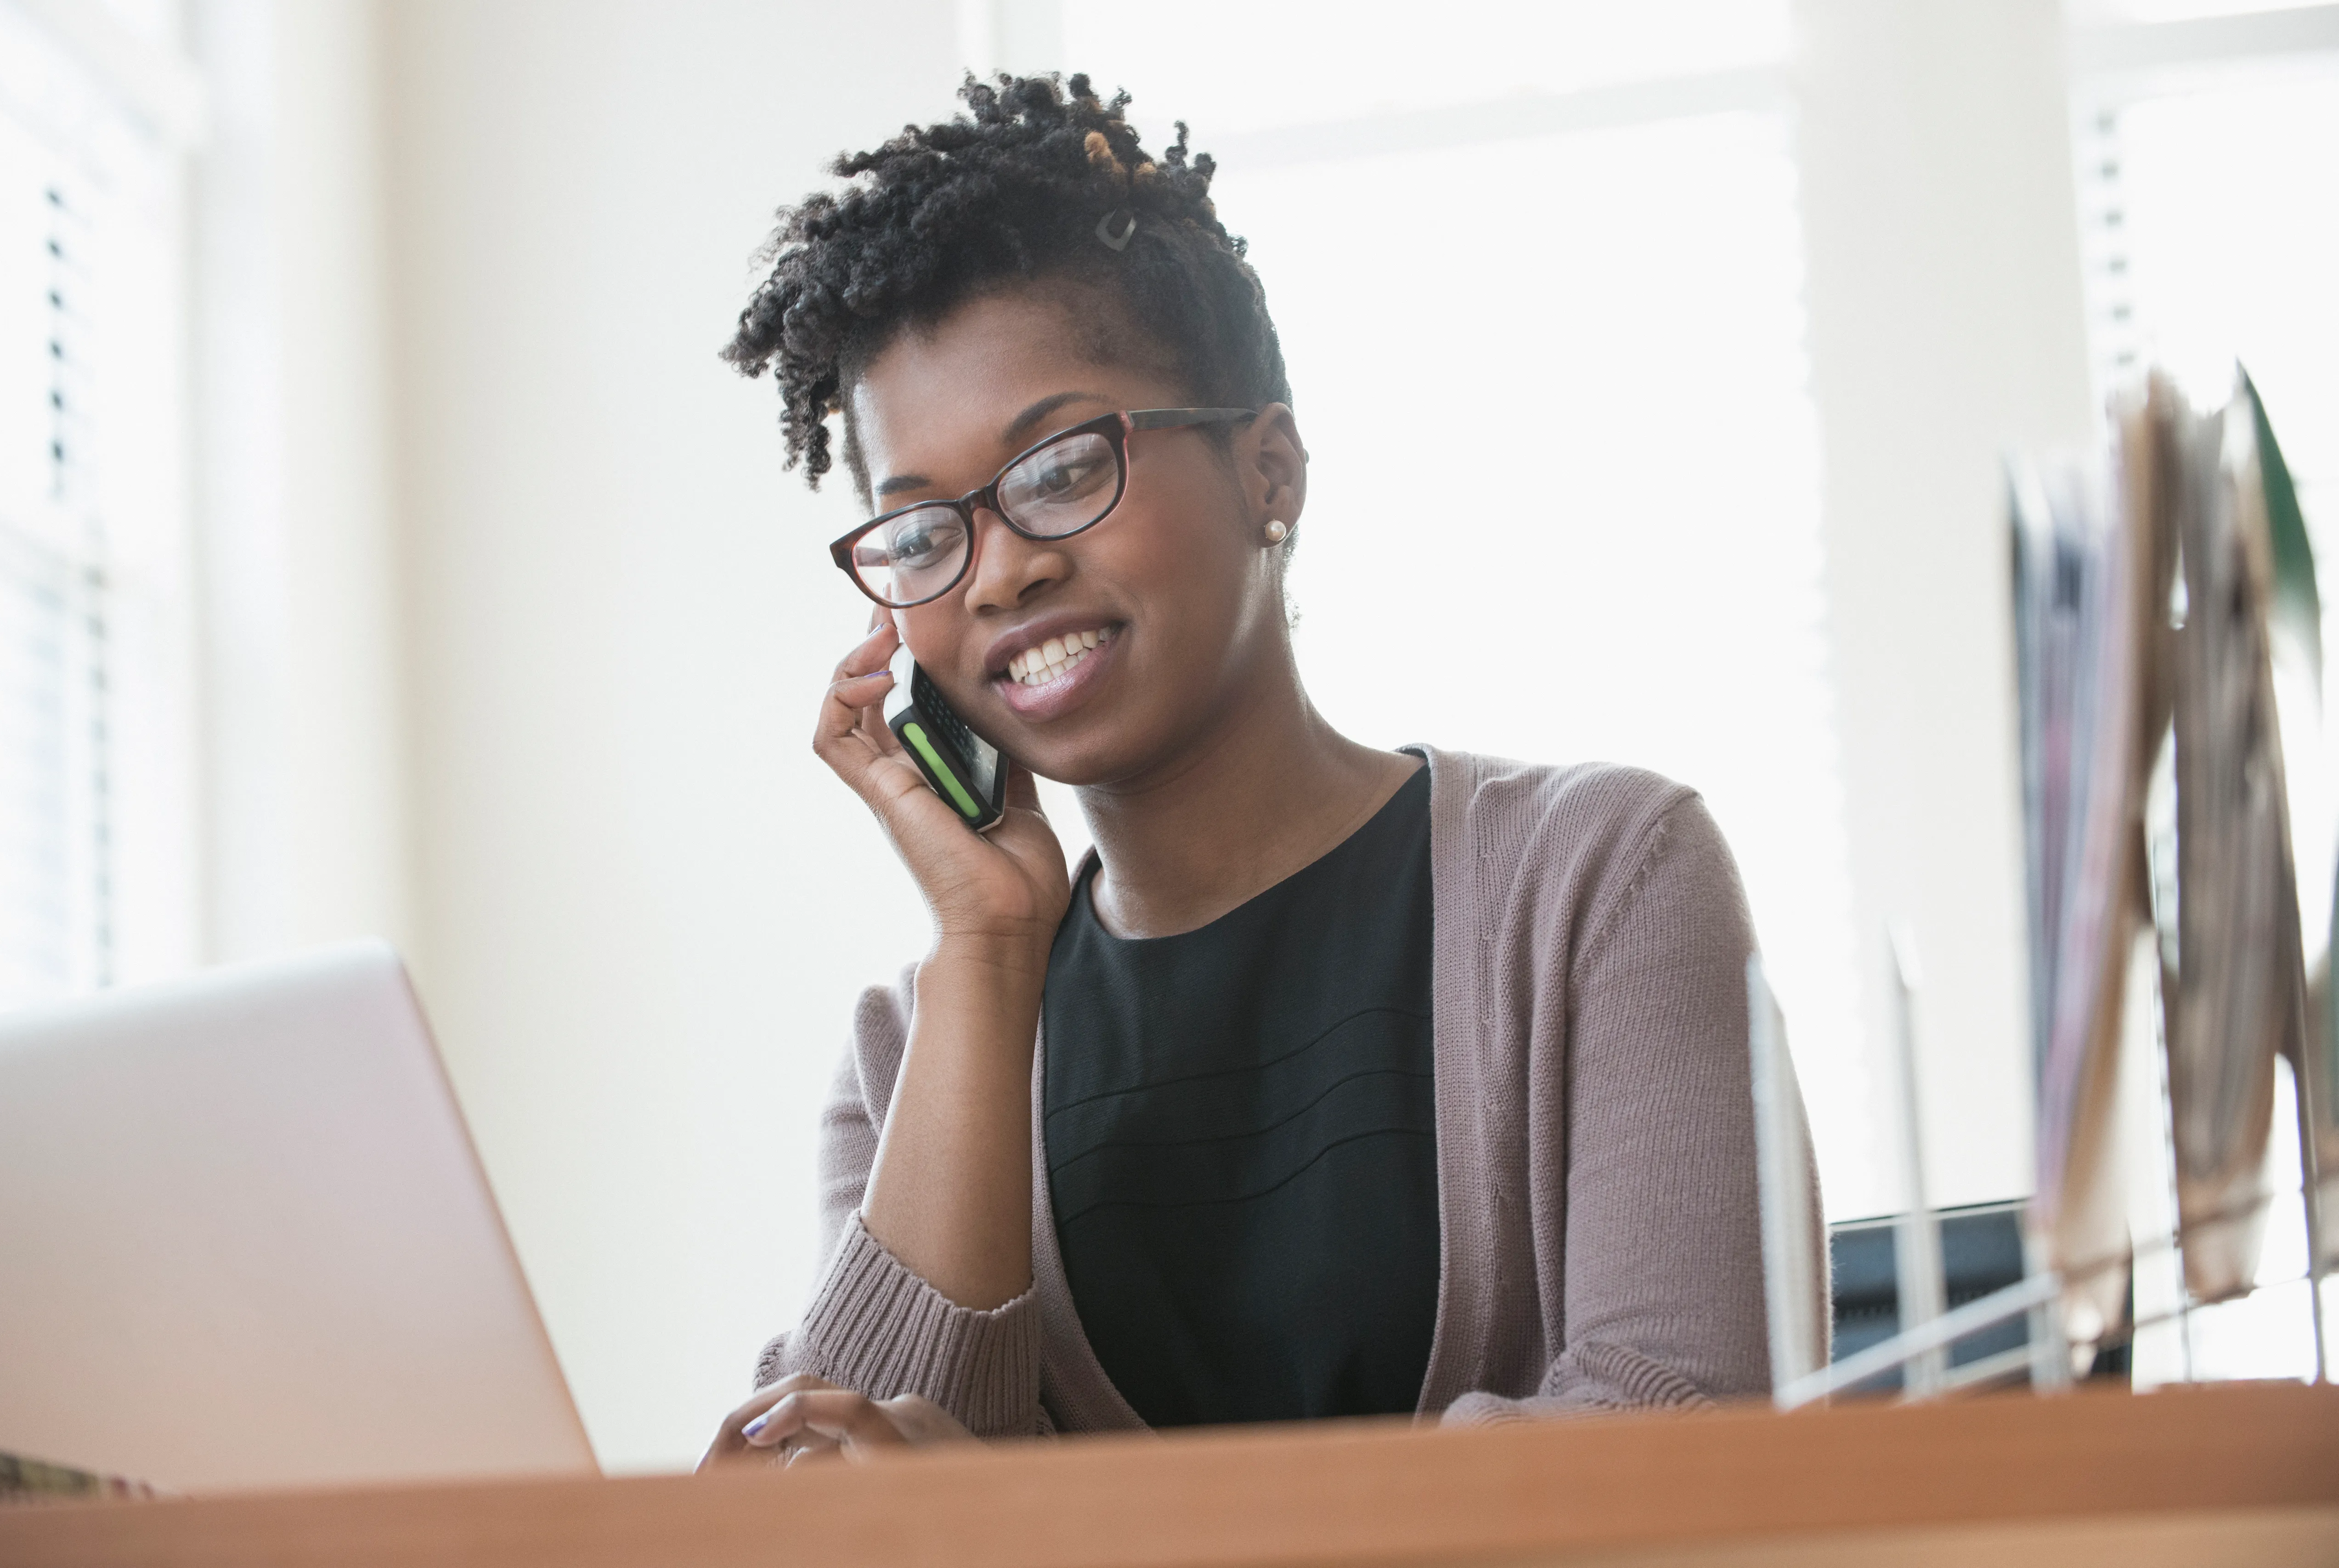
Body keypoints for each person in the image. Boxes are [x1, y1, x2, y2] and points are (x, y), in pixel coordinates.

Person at [697, 73, 1817, 1470]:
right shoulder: (906, 1053)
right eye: (919, 529)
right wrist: (986, 947)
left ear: (1268, 470)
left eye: (1056, 467)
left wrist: (1060, 1527)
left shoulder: (1599, 877)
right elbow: (829, 1518)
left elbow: (1683, 1435)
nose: (1000, 570)